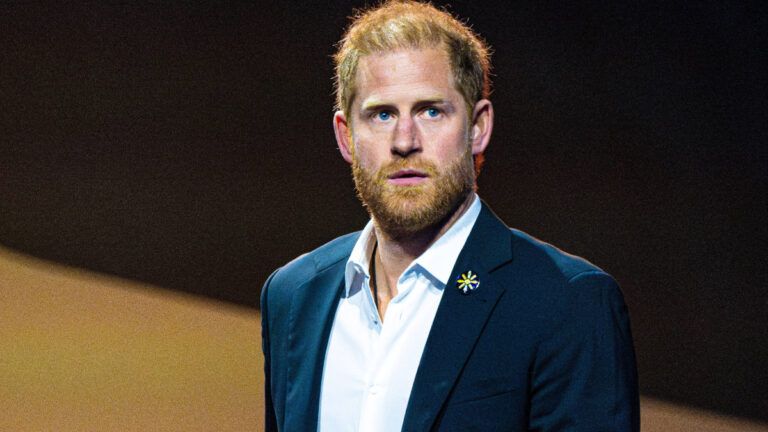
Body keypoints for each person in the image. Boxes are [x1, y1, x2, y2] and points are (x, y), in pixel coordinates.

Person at [260, 1, 639, 430]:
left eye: (431, 111)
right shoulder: (293, 296)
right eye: (382, 114)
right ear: (346, 137)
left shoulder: (566, 303)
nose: (404, 141)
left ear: (477, 127)